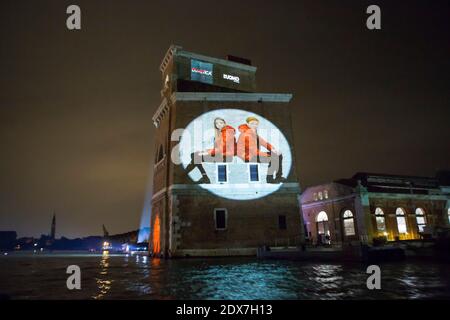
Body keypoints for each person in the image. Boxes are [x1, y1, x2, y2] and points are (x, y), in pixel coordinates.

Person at [185, 117, 236, 184]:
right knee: (195, 156)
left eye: (221, 122)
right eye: (216, 123)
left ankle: (188, 176)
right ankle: (204, 178)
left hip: (224, 156)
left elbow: (222, 148)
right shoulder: (222, 132)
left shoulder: (227, 132)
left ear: (224, 123)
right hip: (220, 154)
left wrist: (206, 152)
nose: (219, 124)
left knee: (195, 156)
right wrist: (205, 151)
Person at [236, 116, 284, 183]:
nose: (254, 125)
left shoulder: (252, 133)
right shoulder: (246, 135)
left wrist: (274, 150)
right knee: (273, 157)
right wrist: (270, 154)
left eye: (256, 124)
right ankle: (269, 179)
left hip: (254, 154)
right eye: (252, 123)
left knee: (279, 155)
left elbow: (264, 143)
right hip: (247, 156)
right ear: (247, 124)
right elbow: (254, 151)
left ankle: (279, 177)